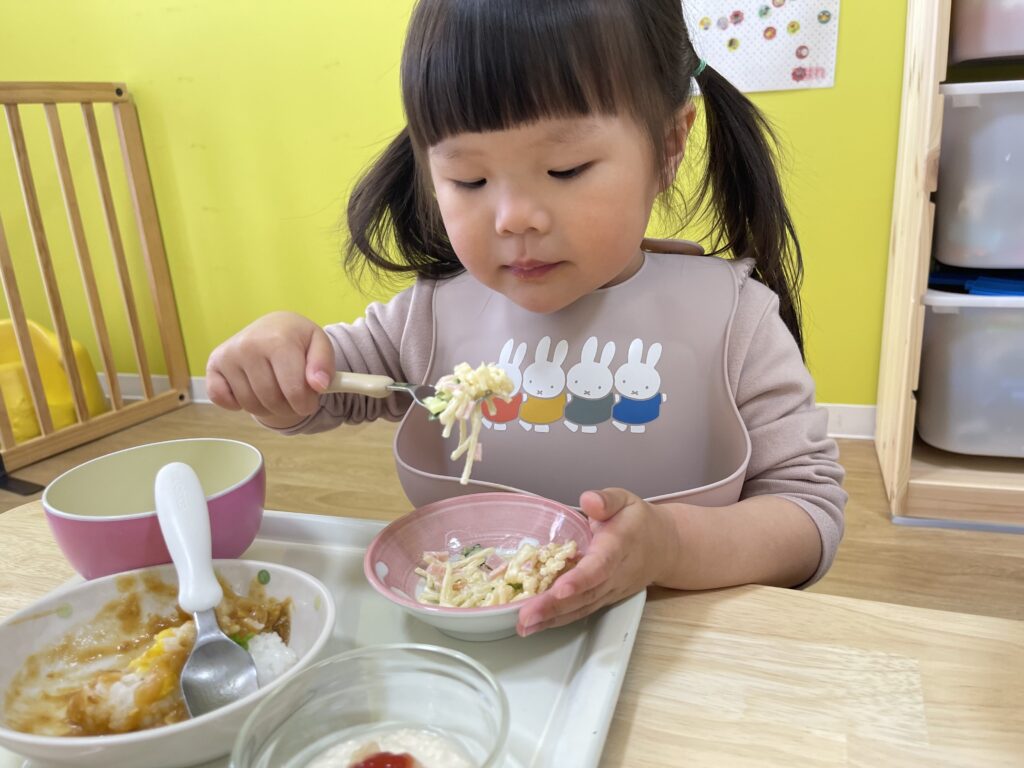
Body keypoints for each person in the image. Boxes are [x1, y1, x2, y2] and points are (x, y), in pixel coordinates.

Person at [206, 0, 847, 637]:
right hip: (483, 653)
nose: (514, 218)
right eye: (469, 180)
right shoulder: (430, 316)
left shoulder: (733, 319)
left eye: (565, 169)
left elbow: (807, 513)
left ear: (670, 143)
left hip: (676, 652)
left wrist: (671, 545)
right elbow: (324, 388)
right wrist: (280, 362)